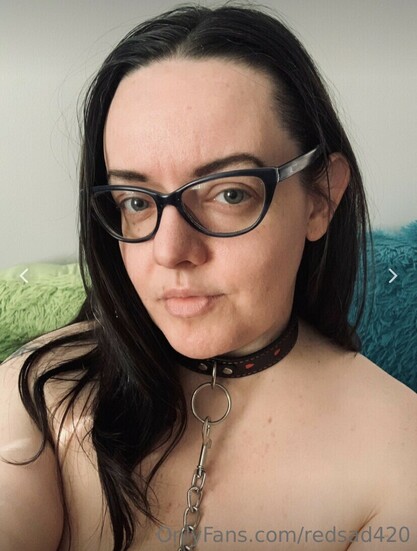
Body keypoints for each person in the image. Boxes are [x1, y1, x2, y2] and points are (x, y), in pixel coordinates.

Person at [1, 4, 416, 551]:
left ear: (320, 197)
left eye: (229, 193)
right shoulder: (41, 390)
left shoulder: (399, 457)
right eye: (136, 201)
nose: (171, 251)